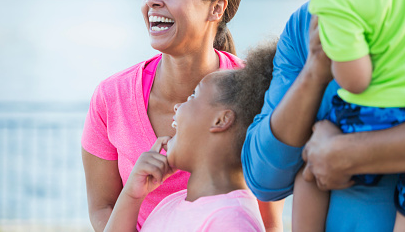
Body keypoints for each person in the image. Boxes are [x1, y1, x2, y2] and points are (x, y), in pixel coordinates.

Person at [232, 0, 405, 231]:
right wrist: (315, 71)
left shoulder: (334, 1)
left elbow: (356, 80)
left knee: (313, 167)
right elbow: (264, 178)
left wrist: (344, 154)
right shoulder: (306, 25)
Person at [81, 0, 283, 232]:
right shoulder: (110, 96)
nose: (153, 0)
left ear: (216, 8)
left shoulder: (254, 93)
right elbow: (102, 207)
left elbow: (269, 220)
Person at [103, 40, 277, 232]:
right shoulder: (171, 204)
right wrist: (132, 195)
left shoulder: (231, 221)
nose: (178, 107)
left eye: (193, 96)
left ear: (221, 120)